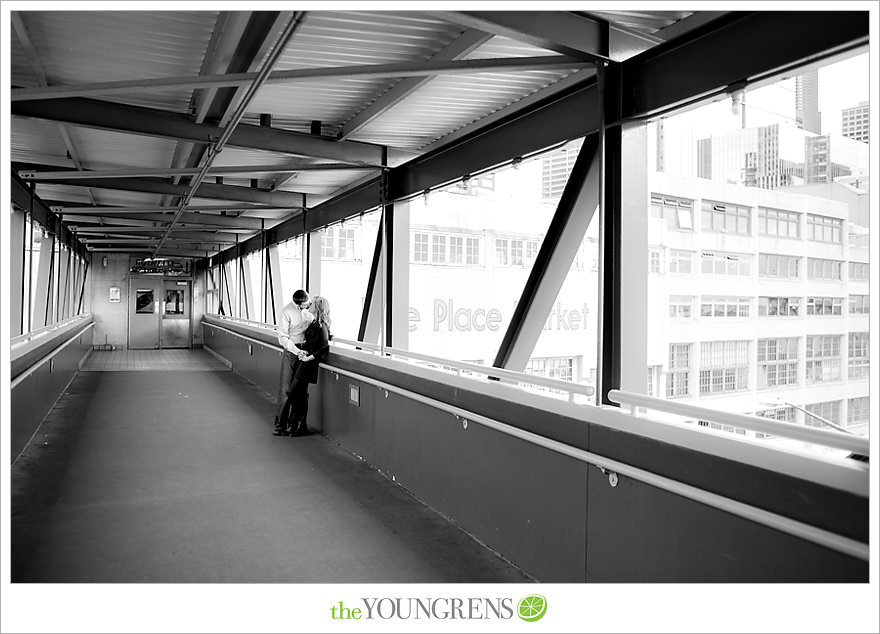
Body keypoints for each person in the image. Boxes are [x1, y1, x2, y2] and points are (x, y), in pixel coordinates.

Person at [286, 295, 332, 437]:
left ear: (317, 307)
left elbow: (324, 347)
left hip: (308, 364)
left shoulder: (321, 325)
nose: (309, 305)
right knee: (298, 393)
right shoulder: (314, 323)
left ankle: (299, 424)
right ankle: (299, 425)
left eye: (311, 303)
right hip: (304, 361)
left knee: (294, 392)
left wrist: (308, 358)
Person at [273, 289, 314, 436]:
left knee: (301, 390)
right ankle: (280, 425)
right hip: (292, 352)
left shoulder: (309, 315)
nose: (307, 305)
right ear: (298, 304)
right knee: (285, 389)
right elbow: (282, 338)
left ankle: (296, 424)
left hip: (305, 352)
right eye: (305, 304)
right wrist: (297, 351)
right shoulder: (286, 312)